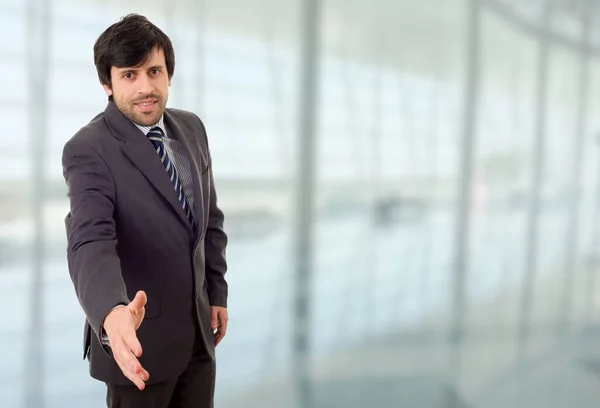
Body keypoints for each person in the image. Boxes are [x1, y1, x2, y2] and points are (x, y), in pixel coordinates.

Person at [61, 13, 228, 408]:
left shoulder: (192, 129)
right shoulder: (88, 149)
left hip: (199, 340)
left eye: (154, 71)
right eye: (130, 75)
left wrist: (216, 292)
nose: (146, 87)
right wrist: (112, 312)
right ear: (108, 83)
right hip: (138, 346)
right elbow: (89, 239)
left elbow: (211, 222)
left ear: (169, 74)